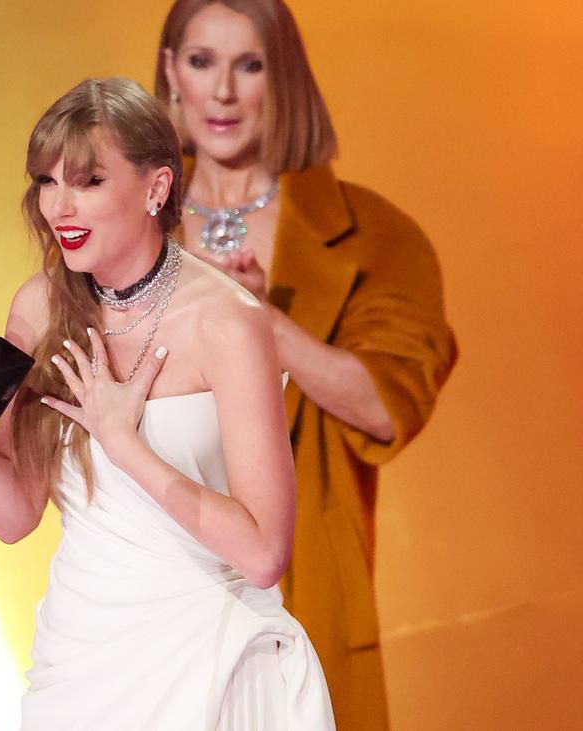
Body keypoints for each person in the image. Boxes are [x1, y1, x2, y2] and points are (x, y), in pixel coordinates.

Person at [0, 77, 334, 730]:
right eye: (47, 181)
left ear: (156, 187)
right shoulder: (39, 309)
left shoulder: (228, 323)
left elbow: (265, 552)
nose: (58, 206)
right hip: (83, 667)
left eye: (88, 181)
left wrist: (126, 445)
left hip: (212, 660)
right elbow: (15, 513)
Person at [154, 1, 459, 727]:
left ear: (283, 76)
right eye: (202, 62)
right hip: (153, 592)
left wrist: (264, 327)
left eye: (249, 64)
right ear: (171, 72)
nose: (223, 91)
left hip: (297, 595)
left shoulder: (373, 235)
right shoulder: (128, 219)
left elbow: (388, 406)